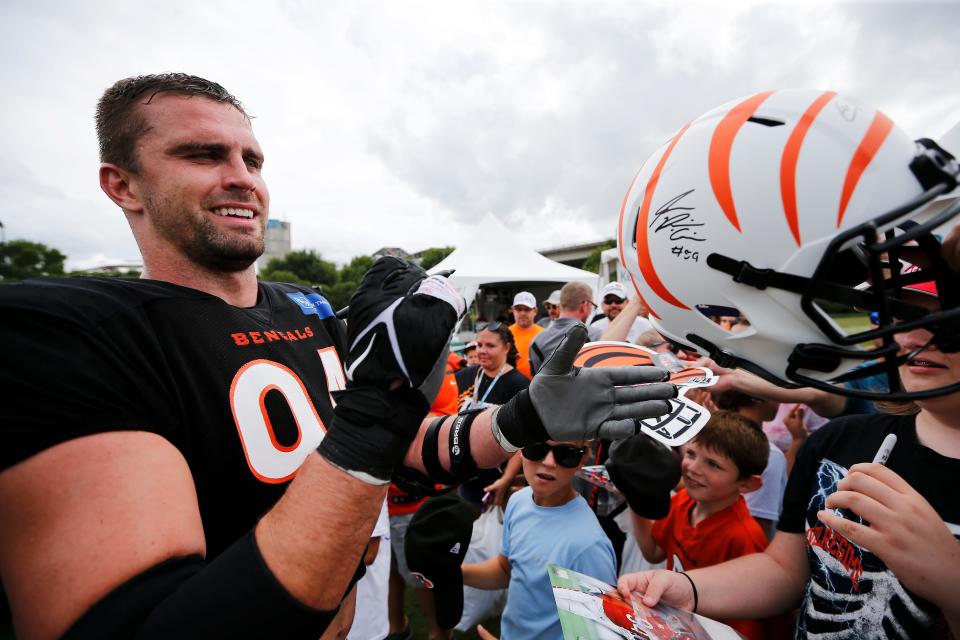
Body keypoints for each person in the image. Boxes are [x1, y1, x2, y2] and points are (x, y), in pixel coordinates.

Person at [0, 73, 677, 640]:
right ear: (122, 185)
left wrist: (516, 422)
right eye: (203, 155)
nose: (242, 178)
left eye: (252, 159)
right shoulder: (73, 332)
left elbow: (404, 445)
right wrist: (377, 411)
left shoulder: (303, 307)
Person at [616, 89, 960, 638]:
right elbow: (785, 570)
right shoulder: (839, 443)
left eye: (949, 318)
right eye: (908, 305)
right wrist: (692, 588)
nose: (918, 333)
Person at [629, 411, 780, 640]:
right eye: (690, 453)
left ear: (747, 483)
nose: (693, 468)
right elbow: (653, 550)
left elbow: (746, 629)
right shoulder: (683, 501)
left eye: (713, 464)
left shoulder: (744, 537)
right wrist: (634, 495)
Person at [462, 439, 617, 639]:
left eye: (566, 454)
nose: (549, 462)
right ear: (520, 450)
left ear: (582, 460)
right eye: (536, 448)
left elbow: (595, 636)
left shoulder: (588, 547)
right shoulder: (519, 501)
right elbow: (506, 569)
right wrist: (454, 573)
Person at [713, 390, 789, 540]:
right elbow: (759, 533)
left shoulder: (711, 435)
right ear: (758, 398)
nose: (780, 398)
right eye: (775, 389)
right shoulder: (769, 455)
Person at [529, 281, 595, 375]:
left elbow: (536, 380)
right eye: (548, 307)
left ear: (560, 306)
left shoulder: (537, 340)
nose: (551, 310)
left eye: (554, 306)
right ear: (585, 305)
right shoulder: (596, 336)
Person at [588, 282, 652, 343]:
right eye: (609, 301)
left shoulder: (644, 325)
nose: (613, 305)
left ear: (627, 302)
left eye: (618, 300)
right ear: (602, 304)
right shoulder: (595, 327)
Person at [507, 291, 543, 379]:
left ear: (535, 311)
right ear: (513, 310)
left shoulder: (544, 334)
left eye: (527, 309)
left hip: (537, 386)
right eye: (519, 309)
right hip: (511, 386)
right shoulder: (504, 334)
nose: (522, 313)